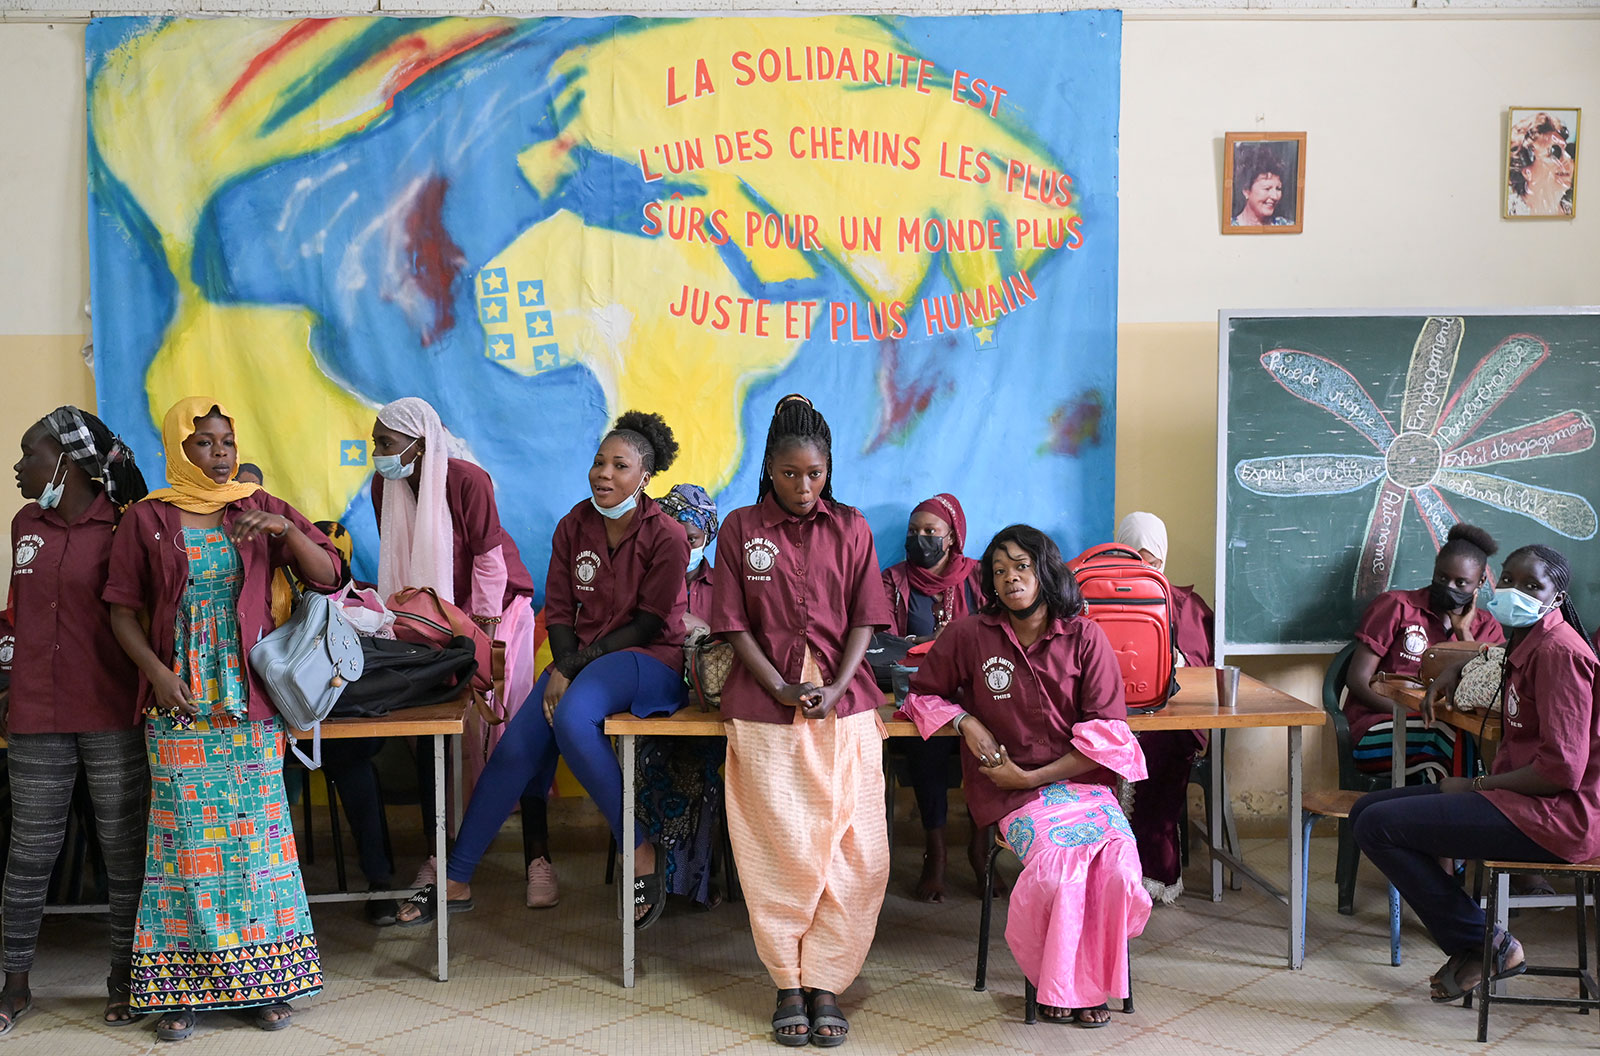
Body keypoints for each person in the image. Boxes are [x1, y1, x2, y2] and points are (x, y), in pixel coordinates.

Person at [103, 398, 342, 1041]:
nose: (219, 456)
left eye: (227, 443)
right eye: (204, 443)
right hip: (178, 705)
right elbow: (121, 608)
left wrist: (282, 528)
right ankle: (178, 993)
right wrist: (157, 673)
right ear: (179, 448)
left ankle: (262, 986)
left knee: (254, 844)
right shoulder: (146, 518)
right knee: (184, 845)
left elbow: (329, 576)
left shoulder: (256, 507)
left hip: (249, 704)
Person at [397, 411, 689, 927]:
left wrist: (567, 669)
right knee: (516, 746)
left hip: (649, 661)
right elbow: (558, 610)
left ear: (644, 476)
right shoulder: (574, 525)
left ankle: (638, 850)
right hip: (584, 668)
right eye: (600, 462)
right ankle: (458, 877)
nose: (603, 473)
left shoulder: (666, 535)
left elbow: (646, 625)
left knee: (572, 716)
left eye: (620, 466)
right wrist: (567, 665)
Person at [903, 524, 1150, 1027]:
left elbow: (1107, 738)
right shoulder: (972, 634)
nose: (1009, 578)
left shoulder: (1084, 635)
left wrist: (1032, 778)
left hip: (1080, 787)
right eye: (998, 570)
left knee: (1117, 868)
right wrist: (965, 721)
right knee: (1060, 868)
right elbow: (920, 695)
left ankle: (1084, 983)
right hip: (1008, 795)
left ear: (1044, 570)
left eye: (1021, 566)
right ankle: (1066, 987)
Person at [326, 397, 550, 922]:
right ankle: (442, 856)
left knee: (512, 731)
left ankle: (538, 857)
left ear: (419, 444)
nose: (377, 454)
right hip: (430, 619)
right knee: (435, 732)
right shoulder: (387, 483)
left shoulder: (468, 481)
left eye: (385, 444)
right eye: (375, 443)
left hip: (495, 614)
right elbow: (397, 561)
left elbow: (491, 568)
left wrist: (482, 639)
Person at [712, 394, 892, 1047]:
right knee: (780, 851)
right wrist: (781, 687)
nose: (804, 486)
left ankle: (828, 982)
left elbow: (868, 615)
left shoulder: (854, 528)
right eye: (791, 474)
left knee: (858, 852)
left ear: (829, 468)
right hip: (764, 709)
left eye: (815, 474)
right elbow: (731, 623)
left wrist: (838, 685)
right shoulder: (739, 529)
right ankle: (788, 981)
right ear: (768, 467)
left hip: (847, 705)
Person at [1352, 543, 1600, 1003]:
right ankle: (1480, 944)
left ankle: (1488, 944)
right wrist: (1462, 664)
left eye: (1531, 586)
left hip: (1554, 818)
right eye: (1507, 580)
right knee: (1366, 811)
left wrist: (1475, 784)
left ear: (1557, 598)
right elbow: (1495, 654)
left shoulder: (1560, 653)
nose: (1513, 591)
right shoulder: (1528, 640)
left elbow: (1562, 772)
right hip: (1522, 803)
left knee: (1379, 826)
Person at [0, 408, 149, 1036]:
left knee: (122, 851)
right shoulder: (23, 524)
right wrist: (7, 674)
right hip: (36, 709)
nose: (18, 465)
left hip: (109, 709)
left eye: (29, 453)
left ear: (66, 461)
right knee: (29, 850)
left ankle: (123, 978)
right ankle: (14, 984)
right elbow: (17, 613)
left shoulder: (123, 527)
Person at [880, 493, 985, 902]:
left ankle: (980, 848)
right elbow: (884, 644)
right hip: (920, 693)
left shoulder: (979, 577)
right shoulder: (893, 581)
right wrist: (933, 642)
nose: (919, 538)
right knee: (925, 746)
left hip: (979, 693)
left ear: (952, 536)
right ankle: (936, 853)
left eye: (930, 532)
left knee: (991, 742)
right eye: (913, 532)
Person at [1345, 524, 1503, 785]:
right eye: (1441, 577)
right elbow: (1357, 680)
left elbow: (1487, 694)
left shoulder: (1486, 627)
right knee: (1446, 739)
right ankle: (1459, 820)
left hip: (1444, 735)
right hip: (1377, 730)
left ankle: (1430, 821)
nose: (1448, 586)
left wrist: (1464, 632)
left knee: (1447, 758)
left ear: (1481, 582)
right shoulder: (1397, 606)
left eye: (1460, 582)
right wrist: (1410, 715)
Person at [1114, 512, 1215, 904]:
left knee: (1160, 757)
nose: (1142, 569)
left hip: (1167, 716)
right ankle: (1102, 876)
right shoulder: (1093, 595)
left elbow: (1196, 668)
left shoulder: (1185, 605)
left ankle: (1151, 874)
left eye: (1151, 561)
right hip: (1111, 712)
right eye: (1132, 557)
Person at [641, 483, 725, 908]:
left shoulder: (726, 584)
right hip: (653, 705)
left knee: (708, 770)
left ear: (706, 536)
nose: (681, 545)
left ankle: (693, 886)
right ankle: (650, 883)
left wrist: (706, 630)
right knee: (648, 762)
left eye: (690, 539)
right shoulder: (647, 578)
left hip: (707, 714)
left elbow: (732, 643)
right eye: (672, 534)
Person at [1507, 111, 1576, 217]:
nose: (1568, 159)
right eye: (1554, 152)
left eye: (1568, 150)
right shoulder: (1511, 212)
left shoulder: (1573, 212)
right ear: (1527, 172)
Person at [1231, 145, 1293, 227]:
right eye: (1267, 189)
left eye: (1278, 189)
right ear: (1246, 191)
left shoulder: (1287, 226)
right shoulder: (1230, 226)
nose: (1275, 196)